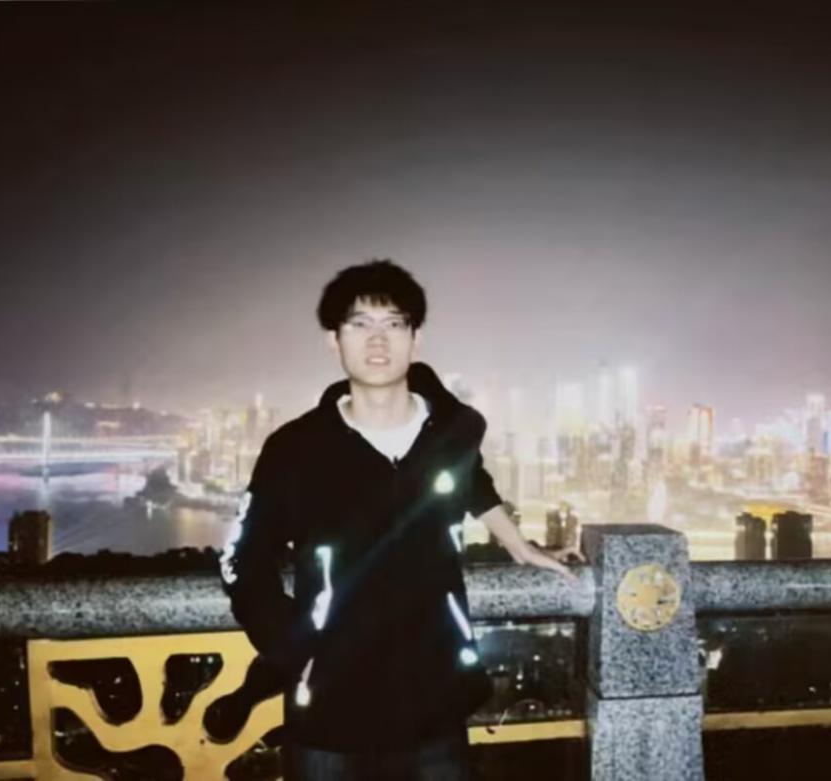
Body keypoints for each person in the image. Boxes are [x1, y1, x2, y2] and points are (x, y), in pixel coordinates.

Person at [220, 259, 577, 780]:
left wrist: (518, 544)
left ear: (415, 339)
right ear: (334, 341)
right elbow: (241, 559)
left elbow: (471, 479)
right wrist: (293, 646)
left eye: (393, 324)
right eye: (359, 324)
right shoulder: (297, 449)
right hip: (330, 710)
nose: (377, 340)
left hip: (434, 701)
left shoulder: (446, 436)